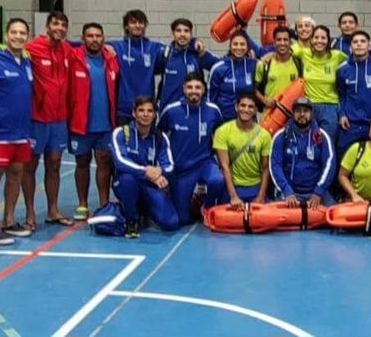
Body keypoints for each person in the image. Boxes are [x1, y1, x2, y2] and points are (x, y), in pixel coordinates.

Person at [0, 18, 34, 245]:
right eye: (14, 32)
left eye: (23, 33)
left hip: (22, 133)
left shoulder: (26, 62)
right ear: (6, 36)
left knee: (16, 175)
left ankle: (9, 220)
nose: (18, 36)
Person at [24, 11, 73, 229]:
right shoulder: (32, 48)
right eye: (55, 24)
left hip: (59, 119)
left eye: (63, 25)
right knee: (30, 166)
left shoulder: (67, 50)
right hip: (37, 119)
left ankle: (52, 210)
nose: (59, 28)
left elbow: (87, 49)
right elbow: (8, 53)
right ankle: (30, 213)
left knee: (54, 164)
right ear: (47, 26)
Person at [68, 23, 119, 220]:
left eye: (98, 36)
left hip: (106, 124)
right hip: (81, 124)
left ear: (104, 38)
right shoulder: (73, 57)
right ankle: (82, 204)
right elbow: (62, 43)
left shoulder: (112, 59)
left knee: (104, 163)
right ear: (83, 38)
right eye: (90, 36)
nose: (94, 39)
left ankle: (104, 203)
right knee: (82, 162)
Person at [159, 73, 225, 225]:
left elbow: (220, 135)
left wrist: (221, 162)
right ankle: (193, 203)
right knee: (182, 219)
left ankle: (206, 207)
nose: (193, 91)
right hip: (182, 168)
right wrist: (164, 166)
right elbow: (159, 136)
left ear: (203, 90)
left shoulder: (213, 110)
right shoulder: (172, 111)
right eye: (189, 87)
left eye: (197, 87)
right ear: (184, 89)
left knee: (217, 180)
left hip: (205, 163)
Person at [110, 96, 179, 238]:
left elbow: (170, 165)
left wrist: (160, 171)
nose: (146, 114)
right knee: (128, 180)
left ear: (155, 114)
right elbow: (120, 161)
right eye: (141, 110)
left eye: (150, 111)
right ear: (134, 113)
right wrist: (146, 172)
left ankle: (142, 209)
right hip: (125, 183)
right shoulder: (121, 133)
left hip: (150, 184)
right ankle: (131, 220)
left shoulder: (160, 137)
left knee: (171, 223)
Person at [269, 97, 336, 207]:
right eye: (298, 111)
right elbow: (275, 165)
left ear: (311, 113)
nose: (302, 114)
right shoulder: (282, 136)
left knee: (335, 217)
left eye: (305, 111)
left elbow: (330, 163)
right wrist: (287, 190)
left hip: (315, 192)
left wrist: (319, 191)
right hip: (290, 192)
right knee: (277, 221)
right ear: (293, 113)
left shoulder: (321, 136)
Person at [336, 30, 371, 157]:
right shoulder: (342, 69)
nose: (359, 44)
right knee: (344, 161)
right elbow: (341, 95)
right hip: (350, 126)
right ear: (350, 47)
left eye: (363, 41)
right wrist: (342, 114)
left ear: (369, 46)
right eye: (355, 42)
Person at [107, 10, 166, 124]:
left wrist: (194, 42)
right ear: (126, 26)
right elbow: (85, 44)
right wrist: (104, 47)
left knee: (146, 141)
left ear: (145, 26)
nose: (137, 25)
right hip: (123, 111)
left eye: (141, 22)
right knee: (124, 141)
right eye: (133, 22)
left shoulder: (154, 48)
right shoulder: (117, 46)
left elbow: (178, 47)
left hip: (146, 110)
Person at [214, 94, 272, 207]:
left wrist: (260, 196)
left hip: (255, 187)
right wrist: (233, 196)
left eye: (250, 107)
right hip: (232, 187)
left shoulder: (264, 135)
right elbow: (224, 166)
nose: (246, 110)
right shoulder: (222, 131)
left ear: (255, 110)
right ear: (236, 107)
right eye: (243, 105)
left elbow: (266, 168)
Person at [292, 25, 348, 139]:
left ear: (328, 40)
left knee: (328, 142)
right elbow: (281, 49)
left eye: (323, 38)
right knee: (308, 142)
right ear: (311, 39)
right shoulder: (304, 53)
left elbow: (358, 57)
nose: (319, 41)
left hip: (330, 107)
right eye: (316, 37)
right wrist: (267, 56)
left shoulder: (337, 56)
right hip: (309, 106)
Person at [159, 18, 219, 111]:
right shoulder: (165, 54)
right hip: (168, 113)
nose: (182, 34)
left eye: (186, 31)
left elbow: (222, 65)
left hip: (195, 112)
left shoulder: (198, 54)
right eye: (178, 31)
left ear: (191, 34)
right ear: (172, 33)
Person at [208, 33, 257, 121]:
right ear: (230, 46)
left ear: (247, 47)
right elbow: (210, 99)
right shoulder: (219, 68)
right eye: (235, 44)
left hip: (248, 121)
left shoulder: (254, 66)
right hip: (224, 121)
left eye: (242, 44)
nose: (239, 47)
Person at [254, 26, 303, 110]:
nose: (282, 43)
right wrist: (264, 100)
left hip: (292, 115)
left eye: (285, 40)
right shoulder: (264, 64)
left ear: (290, 42)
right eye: (279, 40)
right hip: (270, 116)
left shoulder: (298, 63)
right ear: (274, 42)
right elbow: (253, 89)